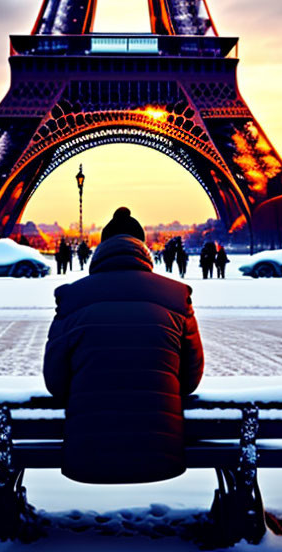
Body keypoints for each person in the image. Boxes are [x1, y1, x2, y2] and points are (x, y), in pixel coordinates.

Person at [43, 207, 204, 484]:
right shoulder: (177, 296)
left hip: (87, 451)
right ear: (142, 248)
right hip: (161, 450)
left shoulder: (72, 298)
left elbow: (56, 383)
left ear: (102, 248)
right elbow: (189, 380)